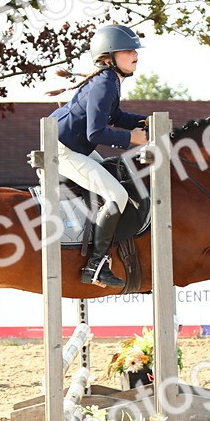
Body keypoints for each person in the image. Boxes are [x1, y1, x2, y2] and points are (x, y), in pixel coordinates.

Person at [48, 23, 149, 286]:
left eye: (135, 50)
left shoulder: (110, 80)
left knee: (111, 177)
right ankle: (95, 266)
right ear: (109, 58)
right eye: (127, 51)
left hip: (72, 146)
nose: (135, 54)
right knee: (117, 195)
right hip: (63, 151)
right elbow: (96, 134)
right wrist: (131, 138)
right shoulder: (105, 83)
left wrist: (146, 121)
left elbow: (115, 116)